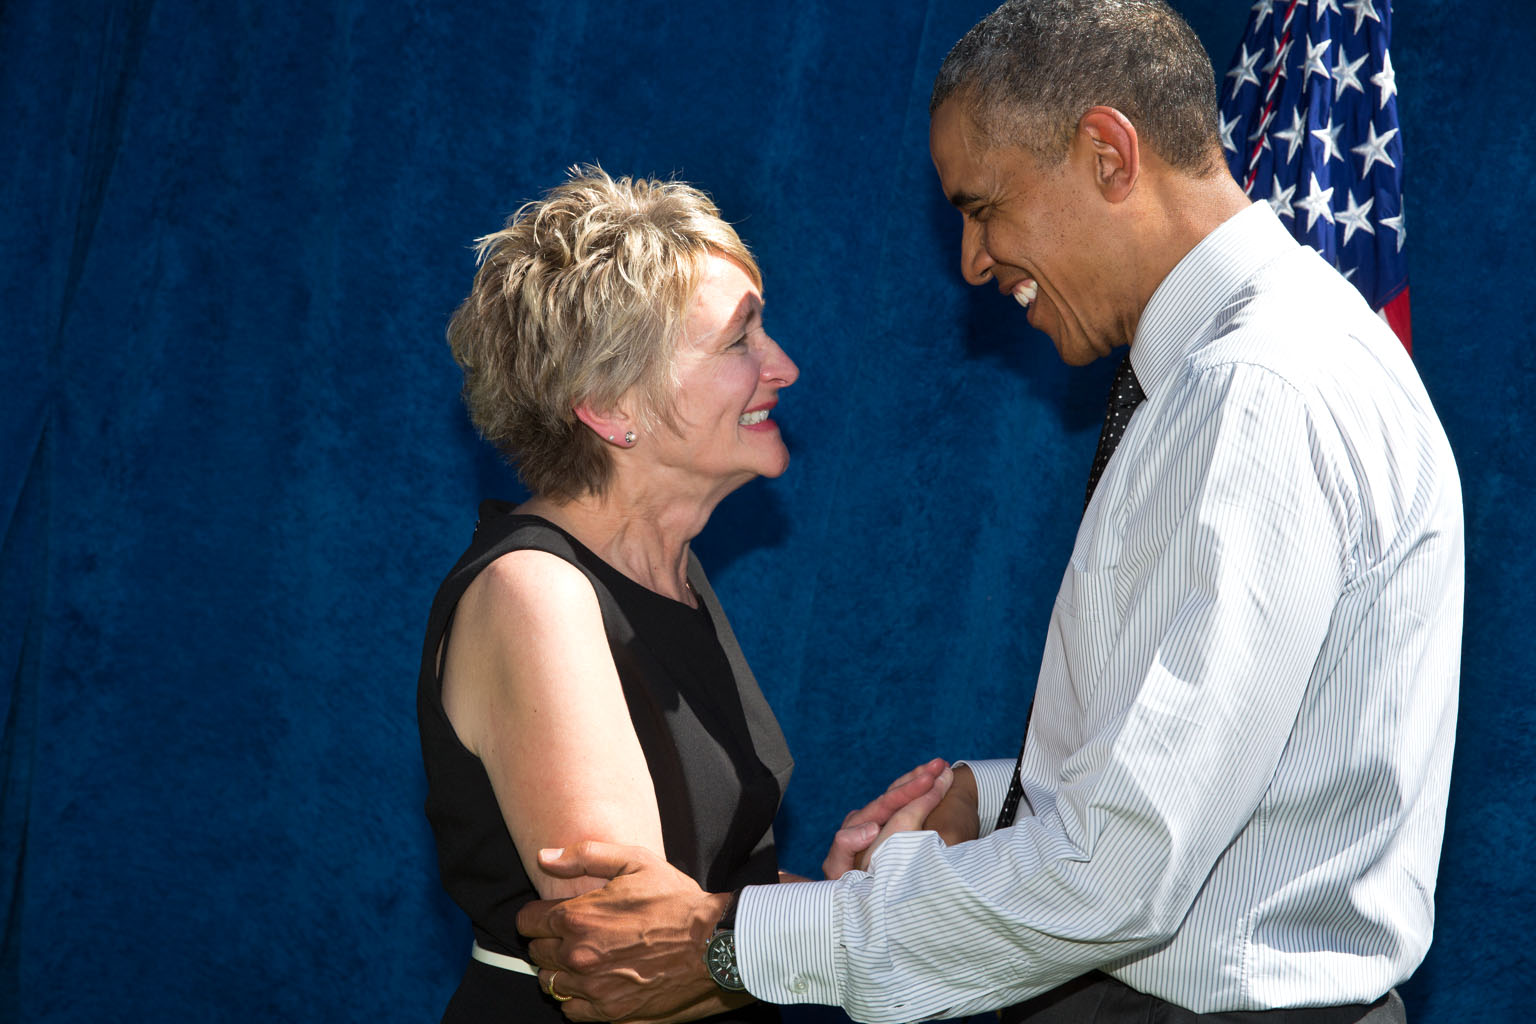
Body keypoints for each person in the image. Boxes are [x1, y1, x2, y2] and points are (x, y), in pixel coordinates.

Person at [515, 2, 1463, 1023]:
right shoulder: (1241, 372)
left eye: (984, 207)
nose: (971, 260)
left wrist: (734, 940)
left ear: (1108, 153)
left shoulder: (1256, 391)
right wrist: (997, 794)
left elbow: (1122, 875)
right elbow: (1234, 781)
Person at [417, 166, 803, 1024]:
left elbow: (699, 902)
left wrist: (863, 900)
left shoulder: (669, 571)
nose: (782, 366)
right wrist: (845, 940)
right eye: (739, 341)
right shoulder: (535, 595)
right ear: (606, 404)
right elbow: (620, 954)